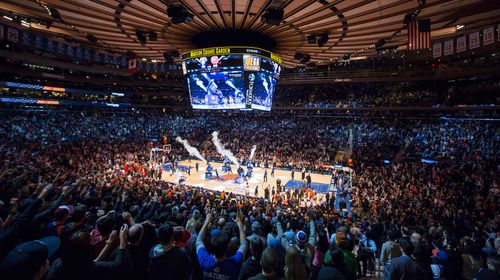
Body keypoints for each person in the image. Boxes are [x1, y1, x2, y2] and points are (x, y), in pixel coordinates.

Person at [196, 209, 247, 280]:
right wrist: (240, 224)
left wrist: (207, 221)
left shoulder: (205, 261)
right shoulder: (235, 262)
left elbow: (199, 241)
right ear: (228, 247)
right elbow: (244, 244)